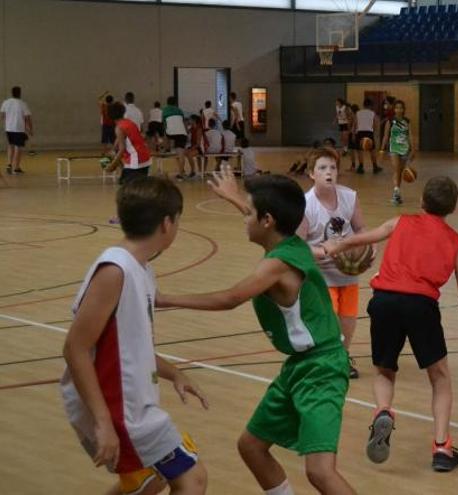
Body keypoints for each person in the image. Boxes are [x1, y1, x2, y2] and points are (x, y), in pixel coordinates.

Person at [159, 170, 356, 495]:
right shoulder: (293, 242)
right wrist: (235, 197)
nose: (243, 217)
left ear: (266, 220)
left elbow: (230, 298)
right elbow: (267, 220)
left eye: (248, 213)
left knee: (320, 472)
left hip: (322, 370)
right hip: (300, 367)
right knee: (251, 446)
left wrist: (162, 298)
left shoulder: (275, 266)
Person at [323, 176, 458, 472]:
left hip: (384, 300)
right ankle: (441, 449)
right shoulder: (455, 241)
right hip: (421, 306)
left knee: (385, 370)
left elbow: (366, 237)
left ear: (422, 201)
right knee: (439, 378)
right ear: (452, 208)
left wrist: (337, 245)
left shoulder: (400, 222)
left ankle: (383, 411)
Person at [61, 177, 208, 495]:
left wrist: (174, 373)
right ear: (167, 224)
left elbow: (130, 346)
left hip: (131, 402)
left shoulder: (141, 269)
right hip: (119, 409)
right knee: (192, 477)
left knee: (148, 481)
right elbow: (75, 348)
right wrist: (103, 422)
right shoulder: (115, 270)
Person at [296, 148, 367, 379]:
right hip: (320, 273)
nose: (329, 172)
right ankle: (324, 360)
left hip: (347, 270)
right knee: (330, 320)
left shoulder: (350, 197)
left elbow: (361, 229)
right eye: (322, 168)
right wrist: (324, 250)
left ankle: (342, 357)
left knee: (348, 318)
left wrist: (367, 249)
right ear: (311, 174)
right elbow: (297, 244)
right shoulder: (306, 205)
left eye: (333, 168)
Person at [104, 102, 152, 185]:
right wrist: (114, 149)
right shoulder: (128, 122)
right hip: (144, 157)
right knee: (133, 186)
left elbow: (122, 149)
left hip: (136, 160)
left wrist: (112, 165)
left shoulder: (119, 128)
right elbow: (120, 139)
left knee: (130, 189)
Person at [379, 100, 414, 206]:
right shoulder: (390, 121)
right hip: (393, 148)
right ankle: (395, 192)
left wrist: (413, 149)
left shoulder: (407, 121)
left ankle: (397, 192)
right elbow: (385, 135)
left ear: (403, 109)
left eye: (401, 107)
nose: (399, 109)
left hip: (405, 148)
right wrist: (381, 149)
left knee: (400, 171)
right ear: (394, 109)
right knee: (396, 169)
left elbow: (410, 135)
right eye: (397, 107)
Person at [1, 86, 33, 175]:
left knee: (10, 146)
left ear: (12, 93)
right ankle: (16, 168)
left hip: (8, 128)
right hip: (18, 129)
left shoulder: (6, 102)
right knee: (17, 148)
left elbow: (2, 116)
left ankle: (9, 164)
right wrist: (30, 129)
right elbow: (27, 118)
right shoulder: (22, 104)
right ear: (19, 93)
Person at [162, 97, 190, 179]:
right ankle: (181, 174)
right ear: (175, 103)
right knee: (181, 155)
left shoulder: (165, 110)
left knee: (166, 133)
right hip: (182, 134)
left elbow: (164, 124)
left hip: (170, 133)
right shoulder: (180, 110)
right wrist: (187, 133)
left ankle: (166, 148)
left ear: (167, 103)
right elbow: (184, 122)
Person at [354, 98, 382, 174]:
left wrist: (354, 133)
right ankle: (375, 167)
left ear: (363, 105)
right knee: (372, 150)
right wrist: (376, 133)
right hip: (369, 133)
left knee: (359, 151)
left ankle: (360, 167)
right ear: (370, 105)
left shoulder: (358, 113)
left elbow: (355, 124)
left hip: (359, 133)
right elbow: (376, 123)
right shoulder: (372, 113)